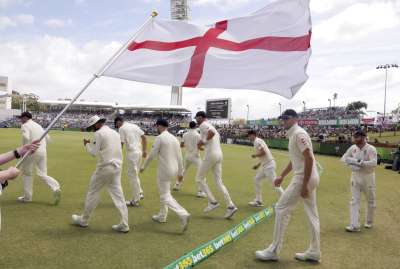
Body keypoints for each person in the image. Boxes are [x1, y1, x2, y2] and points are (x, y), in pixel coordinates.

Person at [255, 109, 321, 263]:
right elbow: (295, 159)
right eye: (282, 118)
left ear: (295, 119)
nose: (283, 120)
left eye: (286, 118)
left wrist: (304, 184)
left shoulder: (299, 134)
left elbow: (309, 158)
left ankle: (273, 250)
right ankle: (314, 252)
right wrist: (282, 176)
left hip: (304, 177)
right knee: (312, 214)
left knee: (281, 208)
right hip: (308, 176)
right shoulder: (293, 134)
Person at [72, 115, 129, 233]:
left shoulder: (99, 134)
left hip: (105, 168)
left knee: (92, 193)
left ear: (98, 124)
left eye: (93, 126)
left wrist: (86, 144)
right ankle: (124, 224)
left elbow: (93, 153)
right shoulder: (115, 133)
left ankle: (84, 220)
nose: (93, 129)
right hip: (117, 167)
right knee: (119, 196)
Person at [140, 119, 190, 232]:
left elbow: (152, 155)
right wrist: (181, 172)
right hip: (174, 169)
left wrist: (143, 166)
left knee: (164, 196)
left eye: (156, 126)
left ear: (159, 126)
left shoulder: (160, 138)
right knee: (165, 193)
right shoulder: (175, 139)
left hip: (164, 170)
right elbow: (180, 157)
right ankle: (162, 216)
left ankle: (183, 214)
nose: (156, 129)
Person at [195, 111, 237, 219]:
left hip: (211, 155)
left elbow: (212, 132)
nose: (196, 119)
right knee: (219, 182)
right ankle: (230, 205)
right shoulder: (207, 125)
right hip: (218, 155)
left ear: (201, 117)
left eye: (197, 118)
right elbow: (210, 137)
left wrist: (203, 141)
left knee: (199, 179)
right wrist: (201, 145)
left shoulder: (204, 125)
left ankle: (212, 202)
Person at [18, 112, 61, 205]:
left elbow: (26, 137)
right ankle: (55, 187)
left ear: (25, 118)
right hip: (42, 152)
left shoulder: (25, 125)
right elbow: (49, 139)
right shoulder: (38, 125)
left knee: (27, 173)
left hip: (31, 151)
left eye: (21, 118)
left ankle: (27, 197)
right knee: (42, 174)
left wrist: (25, 149)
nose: (20, 120)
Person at [341, 130, 377, 232]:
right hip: (355, 176)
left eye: (357, 137)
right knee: (354, 200)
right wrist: (351, 162)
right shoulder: (353, 148)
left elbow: (374, 163)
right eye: (354, 137)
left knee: (370, 200)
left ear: (364, 137)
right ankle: (354, 225)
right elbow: (344, 158)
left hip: (368, 177)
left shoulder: (371, 149)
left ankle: (369, 222)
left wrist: (360, 163)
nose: (355, 139)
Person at [114, 116, 147, 207]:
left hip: (132, 154)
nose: (117, 126)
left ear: (119, 122)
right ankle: (139, 192)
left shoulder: (121, 128)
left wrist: (117, 156)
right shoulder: (134, 126)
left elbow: (121, 144)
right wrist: (144, 150)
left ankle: (136, 200)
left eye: (116, 124)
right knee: (134, 175)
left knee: (132, 176)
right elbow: (144, 137)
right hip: (139, 152)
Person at [248, 130, 284, 207]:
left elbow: (263, 152)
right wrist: (258, 165)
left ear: (253, 135)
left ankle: (284, 200)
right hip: (265, 165)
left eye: (249, 135)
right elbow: (264, 155)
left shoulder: (257, 141)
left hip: (269, 165)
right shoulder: (256, 142)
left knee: (275, 183)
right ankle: (258, 201)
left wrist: (255, 155)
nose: (248, 137)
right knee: (256, 179)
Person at [173, 121, 207, 198]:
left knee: (183, 171)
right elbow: (199, 147)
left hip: (187, 156)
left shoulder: (185, 134)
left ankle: (177, 185)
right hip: (195, 156)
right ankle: (200, 191)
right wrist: (204, 149)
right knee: (201, 173)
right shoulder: (198, 135)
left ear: (189, 126)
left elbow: (181, 145)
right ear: (195, 127)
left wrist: (188, 145)